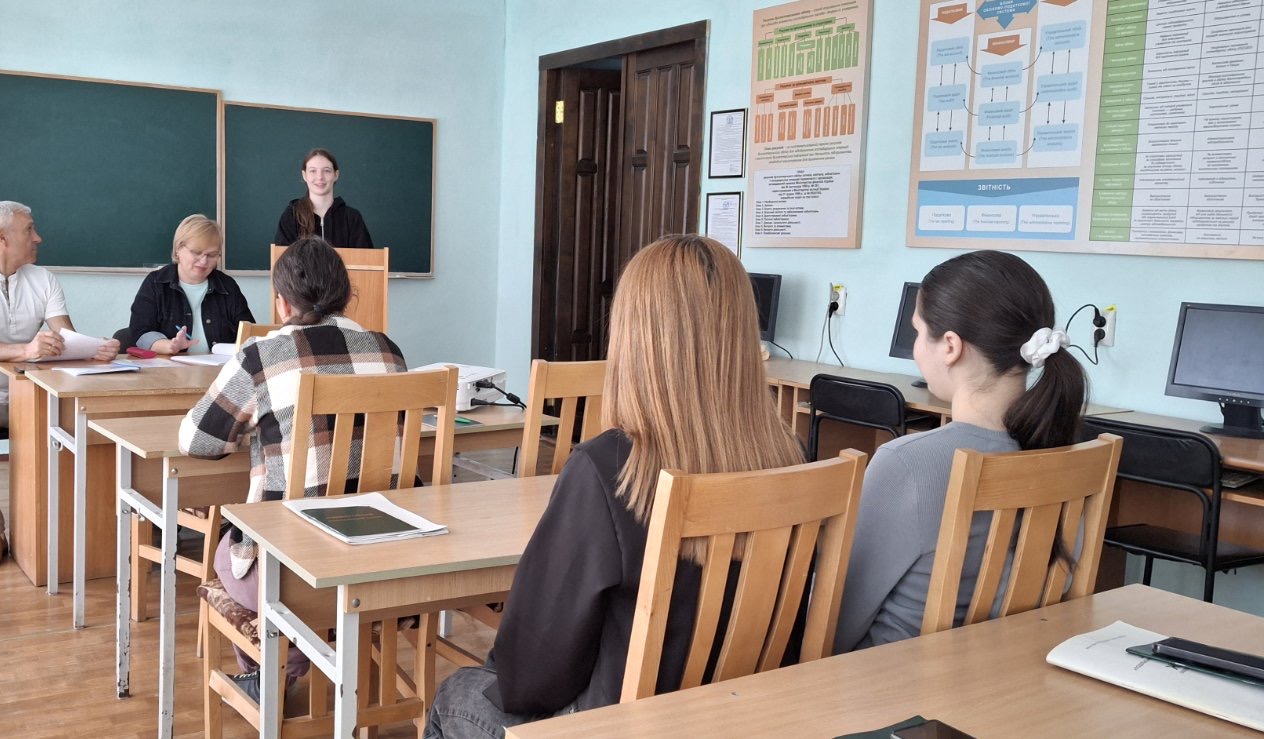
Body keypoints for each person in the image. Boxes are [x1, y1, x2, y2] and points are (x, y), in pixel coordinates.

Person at [425, 235, 805, 738]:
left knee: (457, 693)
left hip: (622, 725)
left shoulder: (608, 469)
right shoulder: (793, 461)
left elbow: (531, 674)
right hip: (750, 718)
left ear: (633, 337)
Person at [177, 235, 404, 699]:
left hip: (296, 564)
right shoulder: (387, 350)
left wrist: (257, 431)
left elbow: (196, 440)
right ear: (346, 295)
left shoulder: (263, 355)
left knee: (226, 556)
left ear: (281, 302)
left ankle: (274, 671)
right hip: (383, 551)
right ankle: (309, 649)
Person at [833, 250, 1087, 652]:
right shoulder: (1068, 458)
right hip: (1003, 674)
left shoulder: (908, 463)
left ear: (950, 346)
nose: (917, 347)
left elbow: (836, 625)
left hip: (890, 679)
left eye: (919, 332)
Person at [0, 201, 119, 569]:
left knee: (85, 420)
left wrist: (95, 348)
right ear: (2, 237)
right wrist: (28, 349)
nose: (39, 237)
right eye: (29, 230)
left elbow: (65, 338)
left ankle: (72, 528)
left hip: (30, 393)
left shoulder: (43, 279)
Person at [113, 214, 253, 354]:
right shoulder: (156, 283)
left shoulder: (227, 286)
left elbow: (249, 333)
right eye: (197, 252)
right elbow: (140, 332)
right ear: (178, 249)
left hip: (220, 366)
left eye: (211, 255)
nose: (204, 261)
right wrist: (169, 346)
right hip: (168, 366)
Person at [272, 148, 375, 248]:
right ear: (304, 175)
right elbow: (282, 257)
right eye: (313, 171)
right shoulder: (292, 215)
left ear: (336, 175)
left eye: (326, 171)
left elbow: (367, 258)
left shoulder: (352, 218)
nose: (320, 177)